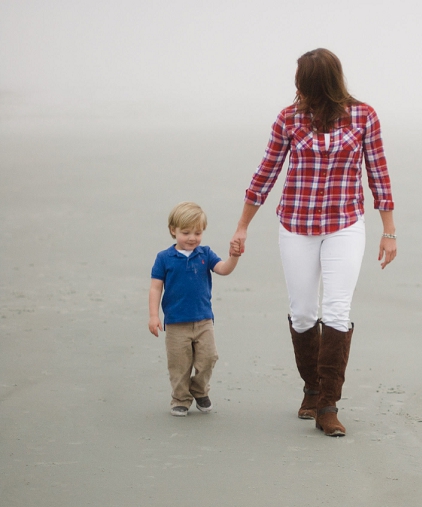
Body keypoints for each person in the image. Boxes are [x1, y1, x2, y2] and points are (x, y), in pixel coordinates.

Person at [231, 48, 396, 437]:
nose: (296, 86)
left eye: (301, 79)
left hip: (345, 224)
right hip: (296, 225)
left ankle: (328, 405)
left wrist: (389, 232)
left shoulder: (364, 117)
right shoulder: (288, 120)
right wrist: (242, 227)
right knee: (303, 313)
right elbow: (265, 173)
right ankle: (312, 387)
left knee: (337, 310)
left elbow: (379, 174)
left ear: (317, 81)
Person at [149, 202, 241, 416]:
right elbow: (155, 288)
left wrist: (234, 256)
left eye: (198, 233)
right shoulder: (164, 258)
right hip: (175, 322)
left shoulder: (205, 254)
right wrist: (154, 316)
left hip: (203, 320)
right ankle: (180, 398)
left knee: (209, 358)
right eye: (186, 232)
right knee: (179, 364)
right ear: (173, 230)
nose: (192, 237)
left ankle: (199, 390)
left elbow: (223, 269)